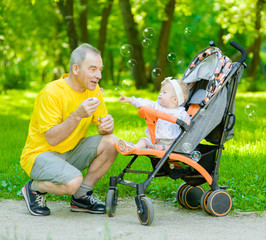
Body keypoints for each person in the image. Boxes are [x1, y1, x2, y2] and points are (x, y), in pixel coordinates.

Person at [20, 43, 118, 216]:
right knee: (73, 182)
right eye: (93, 69)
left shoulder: (93, 91)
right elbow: (51, 139)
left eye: (100, 69)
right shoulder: (52, 92)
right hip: (40, 155)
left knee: (112, 142)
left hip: (70, 152)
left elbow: (103, 129)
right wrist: (77, 114)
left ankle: (81, 197)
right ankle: (33, 188)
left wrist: (106, 127)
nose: (99, 75)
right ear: (76, 69)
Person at [118, 77, 190, 152]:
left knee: (173, 146)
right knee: (144, 140)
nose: (160, 94)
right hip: (153, 140)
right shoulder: (156, 106)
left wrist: (187, 120)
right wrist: (130, 100)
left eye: (164, 92)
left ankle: (158, 149)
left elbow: (187, 119)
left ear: (174, 99)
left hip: (169, 142)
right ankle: (134, 147)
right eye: (160, 92)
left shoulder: (180, 112)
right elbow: (144, 102)